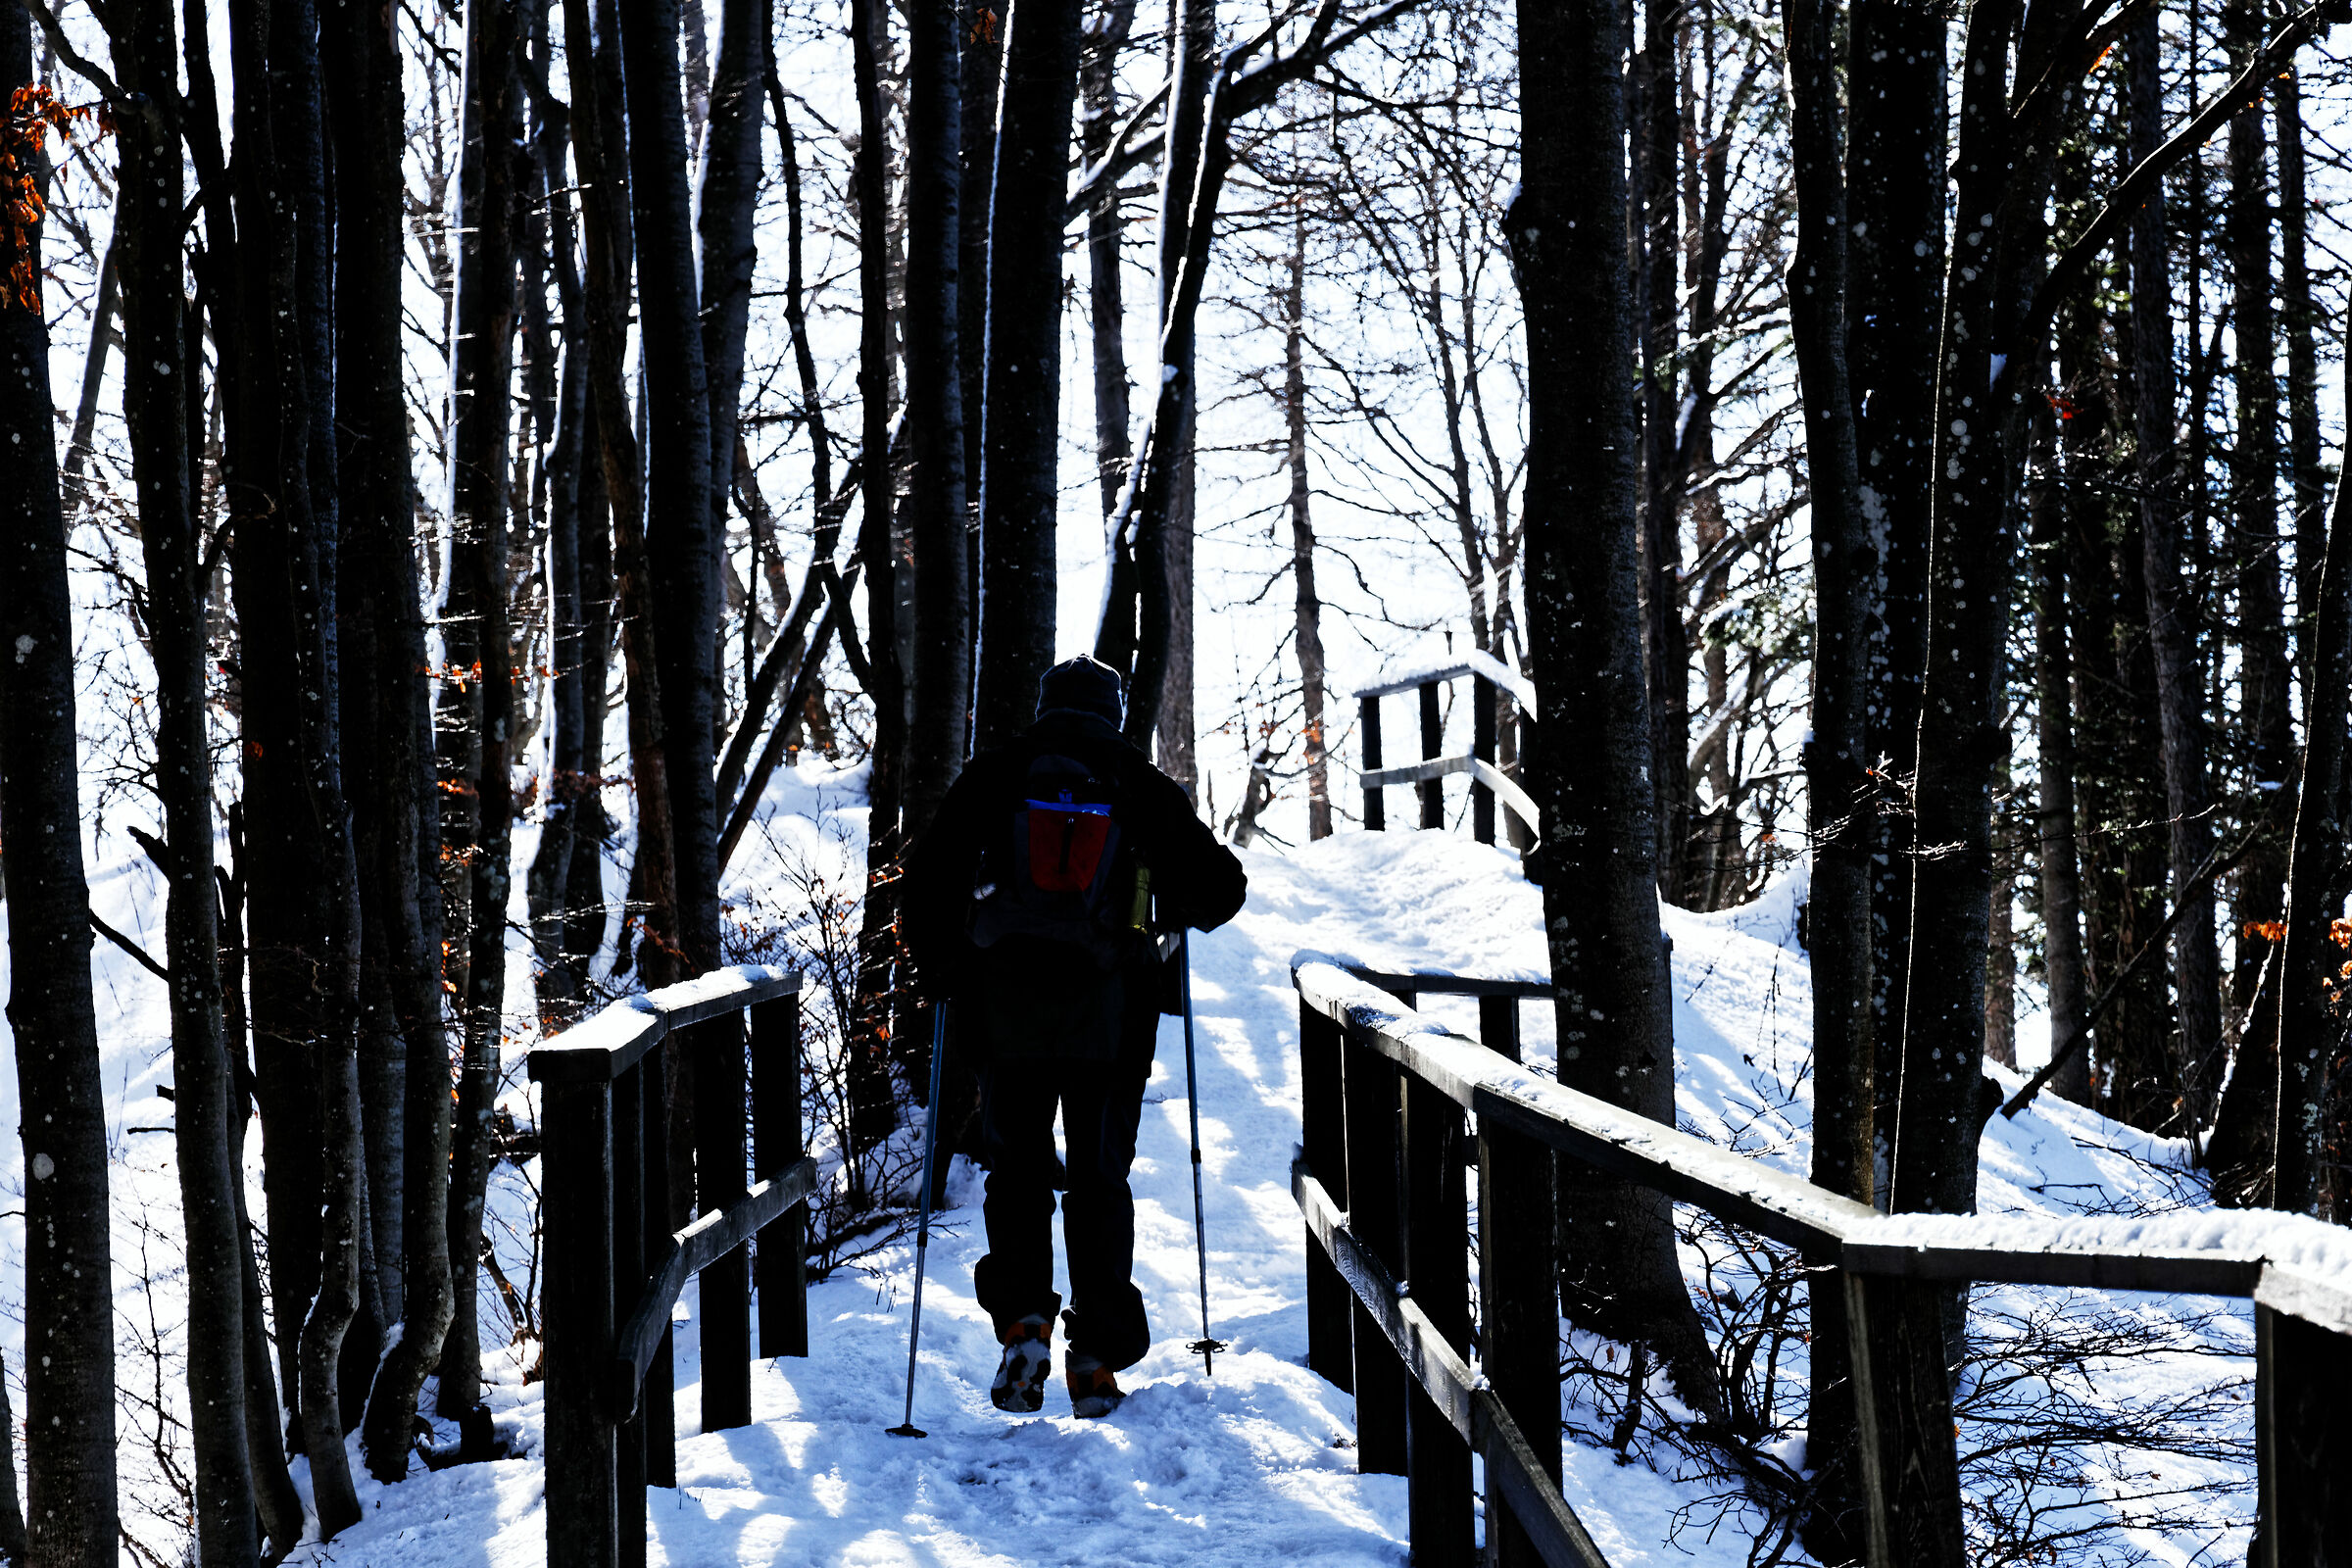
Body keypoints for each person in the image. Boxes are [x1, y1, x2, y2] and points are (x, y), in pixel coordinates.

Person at [904, 656, 1247, 1418]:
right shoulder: (1136, 782)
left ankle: (1024, 1323)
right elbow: (1222, 890)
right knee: (1099, 1181)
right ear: (1115, 713)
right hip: (1110, 1023)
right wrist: (1161, 912)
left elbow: (923, 886)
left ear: (1044, 706)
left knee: (1017, 1174)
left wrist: (951, 971)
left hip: (1003, 1020)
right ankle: (1093, 1359)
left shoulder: (996, 777)